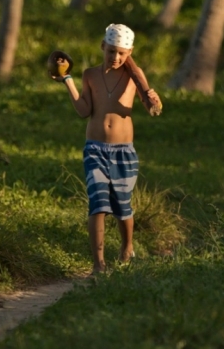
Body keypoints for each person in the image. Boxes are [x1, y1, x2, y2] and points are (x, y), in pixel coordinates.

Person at [52, 23, 162, 274]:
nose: (116, 57)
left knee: (122, 206)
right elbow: (83, 111)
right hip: (95, 149)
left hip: (124, 151)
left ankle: (127, 247)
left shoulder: (135, 76)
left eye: (122, 53)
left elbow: (151, 106)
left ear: (130, 52)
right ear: (103, 46)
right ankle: (98, 264)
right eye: (111, 51)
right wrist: (67, 80)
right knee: (98, 203)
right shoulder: (90, 75)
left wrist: (153, 99)